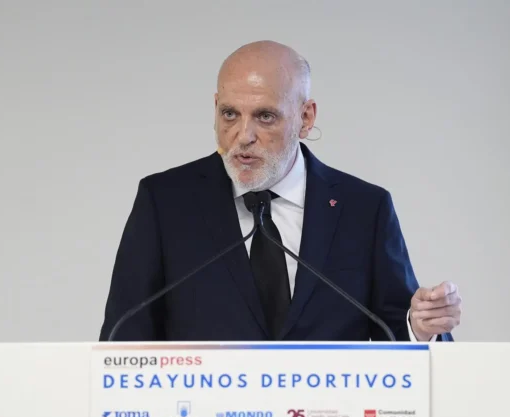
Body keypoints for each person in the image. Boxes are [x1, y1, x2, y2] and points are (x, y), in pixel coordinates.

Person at [98, 40, 462, 342]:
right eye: (229, 114)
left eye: (265, 116)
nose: (243, 136)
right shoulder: (166, 202)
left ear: (306, 118)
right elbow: (123, 339)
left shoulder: (364, 209)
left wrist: (420, 328)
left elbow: (394, 329)